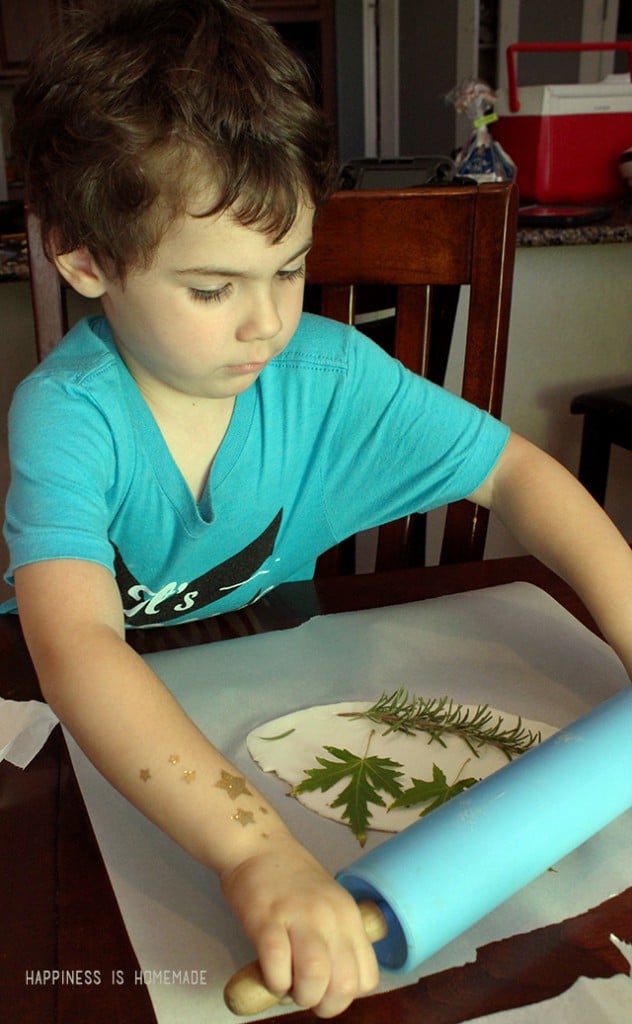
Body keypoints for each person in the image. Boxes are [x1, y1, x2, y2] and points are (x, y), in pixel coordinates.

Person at [4, 0, 631, 1017]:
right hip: (73, 742)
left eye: (288, 268)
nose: (267, 322)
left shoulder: (326, 373)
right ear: (84, 260)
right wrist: (255, 855)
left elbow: (517, 474)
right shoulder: (67, 417)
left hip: (263, 669)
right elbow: (77, 652)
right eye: (212, 289)